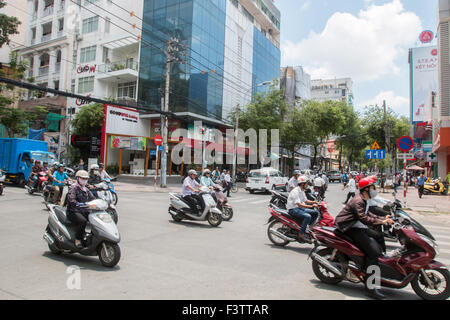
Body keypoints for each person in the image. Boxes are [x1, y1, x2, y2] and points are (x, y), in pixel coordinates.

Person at [335, 177, 394, 300]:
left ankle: (381, 262)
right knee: (373, 252)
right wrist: (381, 222)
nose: (374, 190)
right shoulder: (358, 201)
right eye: (373, 187)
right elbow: (363, 218)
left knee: (378, 236)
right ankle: (371, 288)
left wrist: (383, 219)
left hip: (357, 226)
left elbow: (368, 214)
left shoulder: (364, 199)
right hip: (349, 228)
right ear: (366, 189)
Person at [67, 170, 96, 248]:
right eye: (82, 178)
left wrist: (100, 202)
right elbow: (71, 199)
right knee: (83, 221)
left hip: (84, 210)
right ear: (77, 178)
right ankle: (78, 239)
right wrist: (78, 203)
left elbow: (93, 198)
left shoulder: (85, 189)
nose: (84, 180)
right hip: (73, 211)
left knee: (95, 220)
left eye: (86, 179)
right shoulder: (73, 188)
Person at [286, 176, 319, 243]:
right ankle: (301, 235)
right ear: (302, 184)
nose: (307, 185)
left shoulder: (302, 191)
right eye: (307, 184)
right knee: (308, 216)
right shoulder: (295, 191)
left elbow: (306, 200)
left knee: (315, 213)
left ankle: (306, 227)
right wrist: (311, 206)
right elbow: (299, 204)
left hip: (299, 208)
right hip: (293, 209)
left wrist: (315, 202)